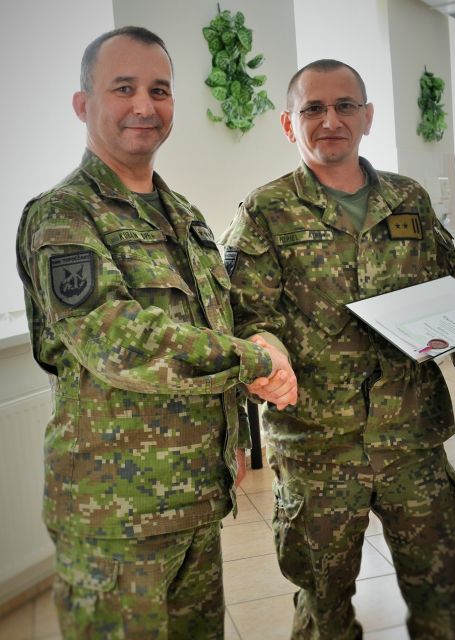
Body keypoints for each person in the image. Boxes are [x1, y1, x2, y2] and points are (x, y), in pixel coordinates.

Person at [16, 26, 297, 640]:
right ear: (83, 104)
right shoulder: (63, 214)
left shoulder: (185, 216)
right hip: (116, 518)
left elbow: (217, 324)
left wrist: (237, 425)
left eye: (159, 90)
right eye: (124, 88)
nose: (145, 105)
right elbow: (118, 340)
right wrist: (254, 362)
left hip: (195, 498)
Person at [221, 59, 455, 640]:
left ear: (367, 116)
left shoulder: (408, 200)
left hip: (413, 440)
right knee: (324, 608)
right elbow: (249, 317)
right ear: (289, 123)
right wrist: (265, 353)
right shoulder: (265, 212)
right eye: (313, 108)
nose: (330, 120)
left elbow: (448, 290)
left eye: (345, 106)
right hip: (318, 448)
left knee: (439, 594)